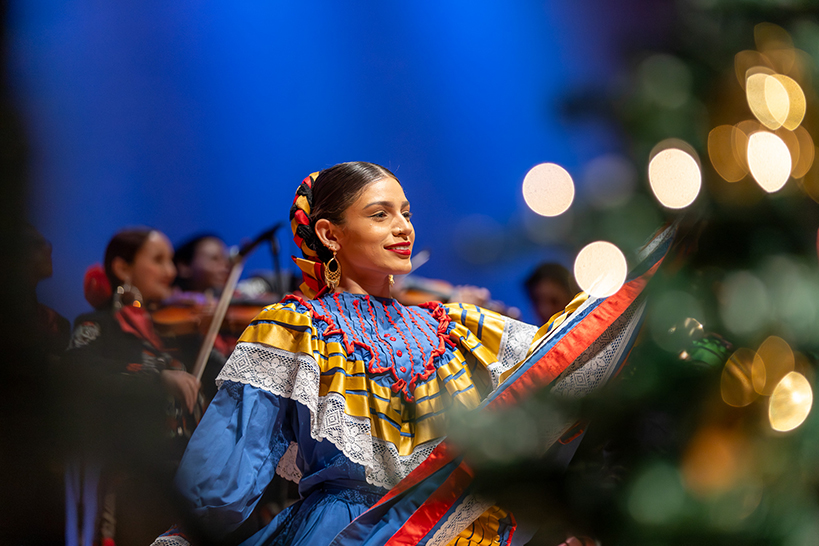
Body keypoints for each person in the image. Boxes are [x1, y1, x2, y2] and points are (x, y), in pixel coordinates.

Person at [155, 162, 668, 546]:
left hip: (451, 527)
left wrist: (655, 265)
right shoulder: (292, 329)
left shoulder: (452, 326)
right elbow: (227, 463)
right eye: (380, 215)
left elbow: (561, 358)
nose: (403, 228)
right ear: (330, 234)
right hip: (350, 530)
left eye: (405, 213)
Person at [63, 228, 201, 546]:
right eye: (158, 260)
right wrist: (158, 378)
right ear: (123, 269)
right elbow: (79, 371)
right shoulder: (97, 325)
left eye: (171, 261)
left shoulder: (177, 331)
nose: (171, 271)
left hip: (180, 480)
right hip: (126, 478)